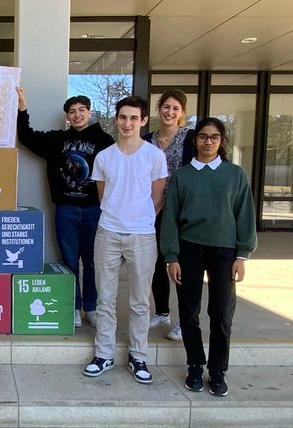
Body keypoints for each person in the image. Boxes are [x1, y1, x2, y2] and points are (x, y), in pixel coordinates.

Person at [160, 117, 257, 396]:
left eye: (214, 137)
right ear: (195, 140)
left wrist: (242, 254)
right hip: (189, 248)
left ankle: (217, 370)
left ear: (221, 141)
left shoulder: (234, 175)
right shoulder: (182, 176)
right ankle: (194, 365)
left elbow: (245, 215)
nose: (208, 141)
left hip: (224, 250)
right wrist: (171, 255)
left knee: (221, 312)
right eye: (203, 136)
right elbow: (171, 219)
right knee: (189, 311)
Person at [83, 96, 168, 384]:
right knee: (105, 298)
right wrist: (119, 218)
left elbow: (157, 197)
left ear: (144, 120)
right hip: (107, 232)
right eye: (123, 117)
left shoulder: (154, 156)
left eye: (134, 118)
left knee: (140, 302)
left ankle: (138, 356)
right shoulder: (104, 157)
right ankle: (104, 353)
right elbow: (103, 196)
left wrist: (140, 220)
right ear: (116, 119)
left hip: (142, 235)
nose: (128, 123)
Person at [16, 88, 114, 328]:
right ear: (67, 117)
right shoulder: (57, 140)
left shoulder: (105, 142)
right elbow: (27, 137)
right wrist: (22, 108)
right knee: (69, 260)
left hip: (94, 209)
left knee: (92, 262)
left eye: (81, 110)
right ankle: (73, 306)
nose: (77, 115)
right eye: (72, 111)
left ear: (90, 113)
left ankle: (91, 307)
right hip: (66, 209)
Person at [143, 89, 196, 341]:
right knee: (155, 262)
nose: (170, 112)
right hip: (152, 210)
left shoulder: (192, 138)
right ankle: (162, 312)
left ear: (182, 113)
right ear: (158, 109)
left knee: (181, 265)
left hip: (182, 213)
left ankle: (185, 320)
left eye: (175, 108)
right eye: (166, 107)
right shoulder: (146, 140)